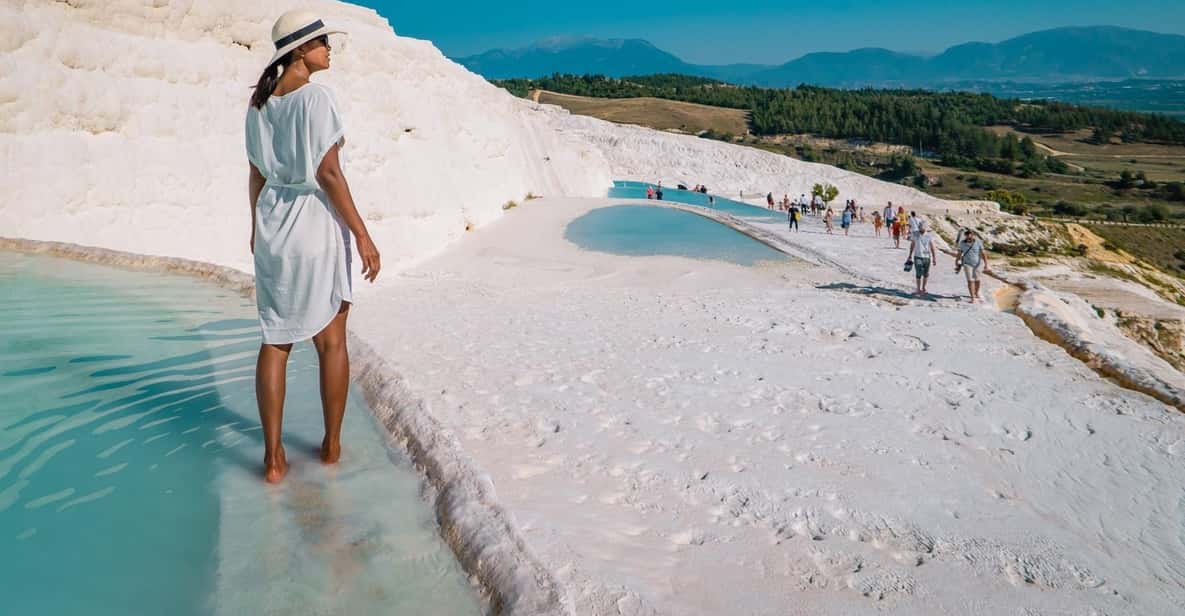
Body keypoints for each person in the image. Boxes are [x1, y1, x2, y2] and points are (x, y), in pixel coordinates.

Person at [246, 9, 381, 483]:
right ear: (301, 50)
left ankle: (273, 459)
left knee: (275, 338)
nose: (329, 49)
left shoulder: (259, 105)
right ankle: (331, 447)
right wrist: (362, 234)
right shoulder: (317, 98)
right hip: (313, 222)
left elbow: (256, 173)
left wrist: (255, 227)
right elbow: (328, 173)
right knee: (331, 339)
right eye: (323, 42)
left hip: (273, 222)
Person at [956, 229, 991, 303]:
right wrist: (957, 261)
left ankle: (976, 293)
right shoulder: (962, 243)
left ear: (973, 235)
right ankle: (972, 298)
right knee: (970, 280)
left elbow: (983, 253)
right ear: (965, 236)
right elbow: (959, 253)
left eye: (970, 235)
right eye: (967, 235)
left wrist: (986, 264)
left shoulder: (978, 242)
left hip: (977, 264)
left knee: (977, 280)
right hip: (967, 264)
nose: (969, 236)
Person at [908, 220, 938, 297]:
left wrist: (934, 258)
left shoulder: (929, 236)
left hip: (927, 257)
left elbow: (932, 247)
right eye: (921, 227)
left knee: (926, 274)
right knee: (918, 272)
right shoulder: (915, 234)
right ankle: (918, 289)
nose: (922, 228)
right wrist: (910, 255)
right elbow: (912, 245)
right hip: (917, 256)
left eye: (923, 227)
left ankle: (923, 288)